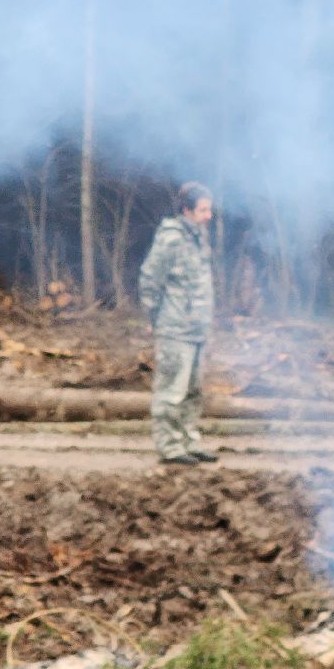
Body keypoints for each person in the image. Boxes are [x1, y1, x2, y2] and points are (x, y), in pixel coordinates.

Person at [139, 182, 219, 466]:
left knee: (193, 392)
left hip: (197, 329)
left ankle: (189, 441)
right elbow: (150, 278)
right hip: (175, 329)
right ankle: (170, 447)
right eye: (203, 210)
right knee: (171, 391)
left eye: (209, 209)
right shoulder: (171, 239)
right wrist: (153, 316)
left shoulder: (198, 238)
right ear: (186, 211)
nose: (209, 215)